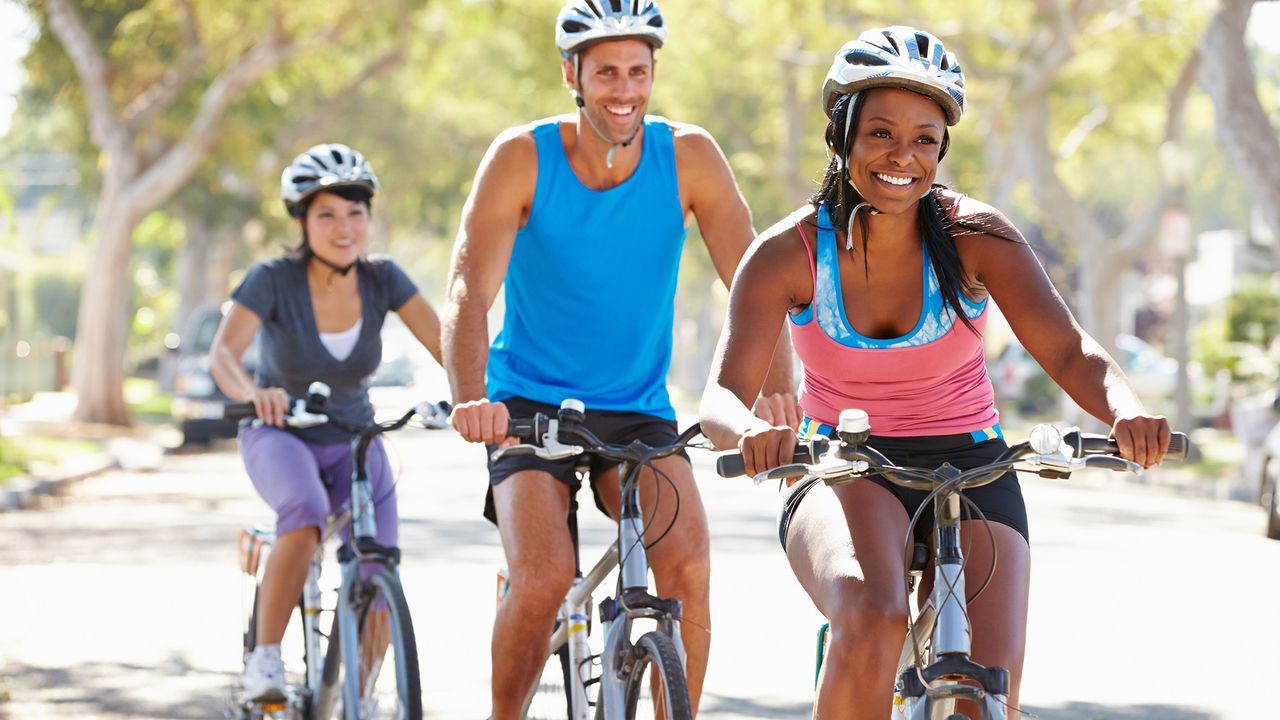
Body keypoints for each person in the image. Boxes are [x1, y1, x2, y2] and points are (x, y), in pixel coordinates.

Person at [697, 27, 1171, 720]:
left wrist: (1125, 409)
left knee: (987, 685)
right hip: (842, 464)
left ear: (942, 151)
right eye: (882, 133)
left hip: (973, 463)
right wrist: (749, 434)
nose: (903, 156)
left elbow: (1069, 351)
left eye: (924, 139)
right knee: (872, 612)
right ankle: (859, 650)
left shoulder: (978, 235)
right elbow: (722, 396)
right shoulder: (786, 253)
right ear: (842, 137)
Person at [442, 1, 799, 716]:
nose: (624, 89)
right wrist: (470, 397)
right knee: (544, 578)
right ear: (571, 72)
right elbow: (467, 291)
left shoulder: (689, 156)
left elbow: (753, 281)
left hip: (636, 407)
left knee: (688, 566)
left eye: (638, 70)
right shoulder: (522, 156)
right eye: (607, 71)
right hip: (526, 404)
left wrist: (779, 390)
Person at [210, 143, 444, 702]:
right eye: (327, 215)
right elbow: (223, 354)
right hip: (280, 433)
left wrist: (481, 396)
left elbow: (449, 346)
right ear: (302, 220)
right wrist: (254, 393)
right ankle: (264, 662)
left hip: (356, 441)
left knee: (378, 564)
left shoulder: (384, 279)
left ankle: (360, 697)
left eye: (355, 213)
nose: (345, 227)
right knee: (306, 514)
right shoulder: (272, 279)